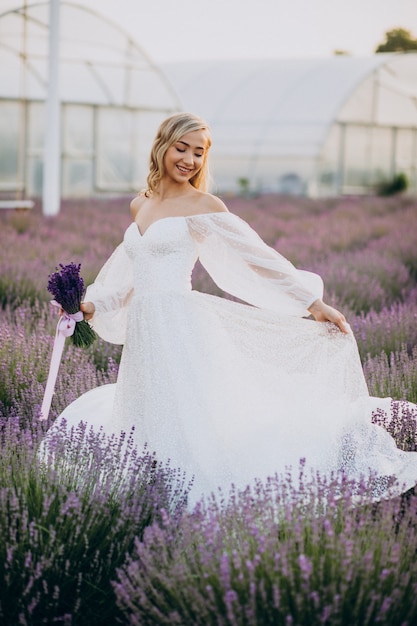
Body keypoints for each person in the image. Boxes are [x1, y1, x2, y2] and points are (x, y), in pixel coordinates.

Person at [52, 112, 417, 506]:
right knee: (150, 410)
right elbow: (127, 275)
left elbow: (257, 257)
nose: (189, 160)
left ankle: (197, 495)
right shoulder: (139, 204)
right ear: (162, 145)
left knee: (191, 414)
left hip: (180, 325)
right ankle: (152, 492)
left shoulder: (203, 205)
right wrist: (88, 306)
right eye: (181, 148)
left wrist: (312, 303)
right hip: (146, 331)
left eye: (199, 152)